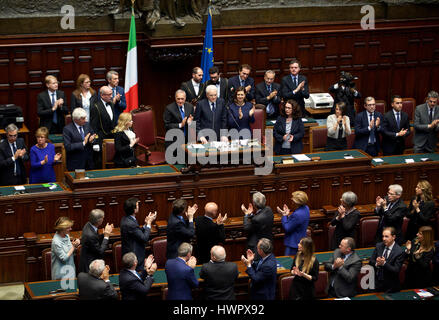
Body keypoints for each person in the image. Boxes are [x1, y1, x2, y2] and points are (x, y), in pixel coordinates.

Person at [120, 197, 157, 271]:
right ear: (134, 209)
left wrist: (145, 224)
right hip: (134, 256)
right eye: (137, 205)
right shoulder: (130, 223)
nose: (138, 207)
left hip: (132, 253)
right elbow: (144, 238)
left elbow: (136, 232)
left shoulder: (126, 219)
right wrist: (149, 223)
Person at [369, 227, 405, 293]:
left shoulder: (399, 251)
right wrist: (377, 263)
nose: (383, 239)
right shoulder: (379, 246)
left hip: (390, 286)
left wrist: (384, 263)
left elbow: (396, 270)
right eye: (383, 236)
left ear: (393, 237)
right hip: (376, 282)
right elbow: (371, 261)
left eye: (386, 236)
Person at [78, 209, 114, 273]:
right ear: (99, 221)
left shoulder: (89, 225)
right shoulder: (90, 235)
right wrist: (106, 236)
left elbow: (95, 239)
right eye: (103, 218)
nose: (103, 219)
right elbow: (100, 251)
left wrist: (104, 233)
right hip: (89, 266)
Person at [241, 192, 274, 259]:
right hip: (268, 243)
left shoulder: (256, 219)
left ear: (254, 204)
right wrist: (250, 215)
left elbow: (246, 227)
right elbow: (259, 218)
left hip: (257, 245)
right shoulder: (269, 209)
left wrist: (246, 215)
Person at [277, 190, 310, 255]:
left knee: (289, 264)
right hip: (301, 241)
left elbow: (287, 228)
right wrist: (287, 216)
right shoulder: (306, 208)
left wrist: (284, 215)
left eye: (293, 199)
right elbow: (295, 222)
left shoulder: (297, 214)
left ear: (296, 202)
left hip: (293, 244)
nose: (291, 200)